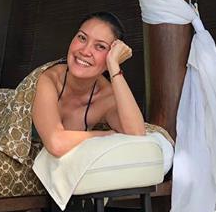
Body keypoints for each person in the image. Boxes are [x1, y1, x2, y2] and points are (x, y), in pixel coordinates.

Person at [32, 11, 146, 158]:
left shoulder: (106, 98)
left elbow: (137, 135)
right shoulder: (49, 79)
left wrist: (113, 65)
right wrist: (106, 135)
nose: (85, 51)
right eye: (82, 37)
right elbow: (56, 144)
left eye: (100, 47)